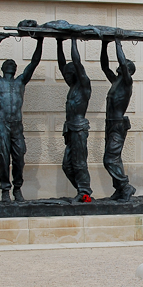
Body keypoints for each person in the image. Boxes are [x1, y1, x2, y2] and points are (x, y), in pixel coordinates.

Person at [0, 33, 43, 203]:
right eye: (8, 63)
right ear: (3, 68)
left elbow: (34, 62)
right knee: (3, 158)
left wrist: (40, 40)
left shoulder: (20, 82)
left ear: (15, 69)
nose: (11, 65)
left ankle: (17, 188)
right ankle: (5, 190)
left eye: (13, 64)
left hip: (17, 126)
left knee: (19, 159)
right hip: (2, 125)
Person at [101, 32, 137, 201]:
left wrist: (117, 42)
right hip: (110, 124)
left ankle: (126, 186)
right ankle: (120, 189)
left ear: (128, 70)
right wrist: (104, 44)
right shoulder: (116, 81)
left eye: (125, 65)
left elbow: (122, 62)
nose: (121, 65)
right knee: (114, 158)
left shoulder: (127, 83)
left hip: (118, 124)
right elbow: (104, 66)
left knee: (109, 159)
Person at [58, 37, 93, 201]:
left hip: (79, 128)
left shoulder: (84, 85)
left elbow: (77, 62)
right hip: (70, 129)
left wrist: (73, 40)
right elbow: (61, 65)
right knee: (67, 165)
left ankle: (84, 193)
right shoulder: (72, 87)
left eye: (68, 74)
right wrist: (59, 42)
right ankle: (82, 190)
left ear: (75, 74)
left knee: (79, 163)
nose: (66, 77)